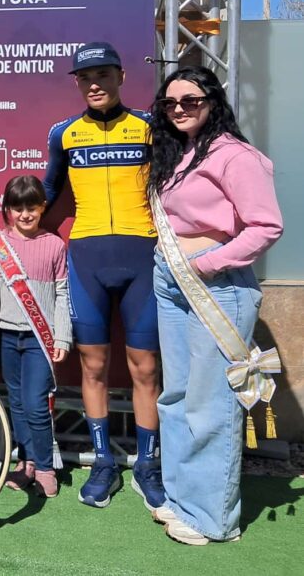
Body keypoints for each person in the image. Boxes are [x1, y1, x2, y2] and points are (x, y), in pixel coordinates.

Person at [147, 66, 282, 545]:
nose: (179, 108)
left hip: (215, 285)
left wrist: (207, 264)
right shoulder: (179, 154)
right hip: (170, 282)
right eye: (170, 103)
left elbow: (265, 226)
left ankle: (213, 519)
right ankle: (183, 500)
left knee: (210, 403)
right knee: (177, 396)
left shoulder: (235, 155)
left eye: (190, 99)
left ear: (213, 100)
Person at [43, 42, 164, 510]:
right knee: (92, 366)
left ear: (121, 77)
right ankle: (103, 463)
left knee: (145, 368)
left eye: (103, 74)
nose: (94, 83)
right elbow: (50, 192)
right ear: (76, 82)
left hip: (143, 255)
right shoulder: (63, 134)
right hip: (88, 257)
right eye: (84, 76)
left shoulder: (151, 127)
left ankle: (148, 464)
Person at [0, 175, 70, 499]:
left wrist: (62, 337)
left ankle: (46, 466)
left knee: (35, 404)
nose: (25, 214)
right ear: (7, 209)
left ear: (42, 207)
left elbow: (63, 293)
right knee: (16, 404)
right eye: (17, 208)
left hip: (39, 339)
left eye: (31, 207)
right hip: (5, 335)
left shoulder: (55, 244)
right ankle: (26, 462)